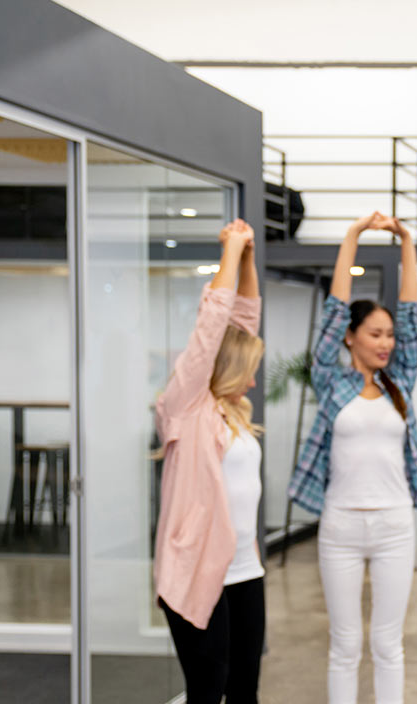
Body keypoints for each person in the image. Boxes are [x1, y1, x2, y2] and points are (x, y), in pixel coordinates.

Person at [288, 212, 417, 704]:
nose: (387, 342)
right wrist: (352, 236)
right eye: (375, 333)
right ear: (350, 337)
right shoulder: (332, 382)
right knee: (344, 645)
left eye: (389, 335)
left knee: (388, 643)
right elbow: (334, 307)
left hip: (393, 525)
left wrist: (406, 240)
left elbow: (410, 311)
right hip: (340, 525)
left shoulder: (400, 381)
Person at [153, 219, 265, 704]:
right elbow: (210, 332)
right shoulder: (184, 408)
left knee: (244, 692)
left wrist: (248, 260)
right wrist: (232, 248)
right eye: (249, 375)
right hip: (199, 572)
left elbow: (243, 320)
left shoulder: (232, 410)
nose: (254, 384)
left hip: (245, 570)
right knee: (207, 690)